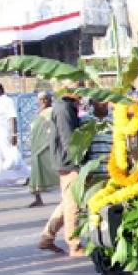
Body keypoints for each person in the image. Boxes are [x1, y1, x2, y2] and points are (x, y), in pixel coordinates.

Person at [40, 80, 84, 256]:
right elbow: (68, 139)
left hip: (65, 160)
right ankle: (74, 244)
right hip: (69, 161)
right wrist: (77, 162)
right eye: (78, 85)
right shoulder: (64, 108)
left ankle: (47, 237)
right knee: (73, 203)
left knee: (67, 201)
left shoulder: (65, 106)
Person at [0, 82, 28, 189]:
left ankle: (28, 175)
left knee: (11, 156)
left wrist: (14, 134)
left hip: (2, 134)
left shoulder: (7, 101)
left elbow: (12, 117)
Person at [27, 91, 58, 207]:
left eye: (43, 99)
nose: (40, 102)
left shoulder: (51, 112)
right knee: (36, 173)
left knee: (56, 171)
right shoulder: (41, 112)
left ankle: (66, 196)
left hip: (46, 146)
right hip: (37, 146)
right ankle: (38, 198)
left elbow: (51, 128)